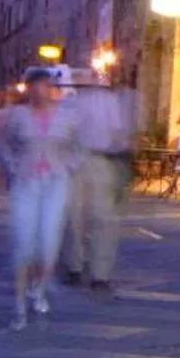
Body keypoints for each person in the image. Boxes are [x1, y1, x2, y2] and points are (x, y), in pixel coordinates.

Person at [0, 65, 81, 329]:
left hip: (55, 182)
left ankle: (39, 287)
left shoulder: (67, 117)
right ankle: (19, 306)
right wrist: (12, 165)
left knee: (48, 244)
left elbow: (78, 147)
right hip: (26, 182)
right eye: (34, 86)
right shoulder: (17, 115)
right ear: (28, 89)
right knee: (24, 243)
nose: (39, 91)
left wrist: (69, 166)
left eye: (44, 85)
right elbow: (2, 143)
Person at [61, 72, 135, 294]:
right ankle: (82, 267)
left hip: (97, 160)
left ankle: (94, 271)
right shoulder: (71, 103)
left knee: (95, 218)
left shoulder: (103, 101)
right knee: (81, 217)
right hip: (81, 163)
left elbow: (119, 135)